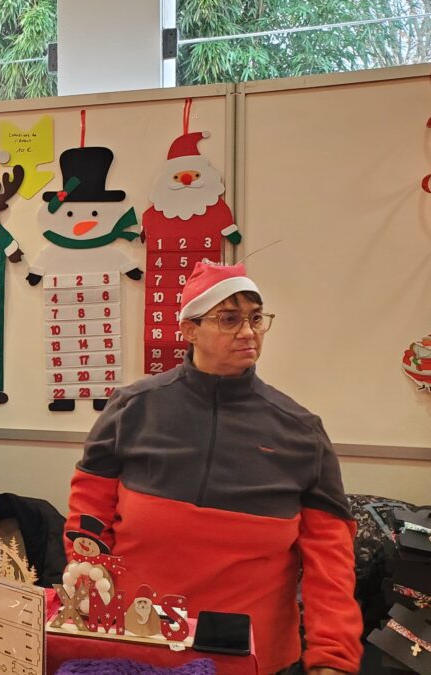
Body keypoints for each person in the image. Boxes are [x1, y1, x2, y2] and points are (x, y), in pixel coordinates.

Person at [64, 261, 361, 675]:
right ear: (189, 330)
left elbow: (330, 558)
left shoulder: (301, 431)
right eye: (229, 319)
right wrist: (88, 583)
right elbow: (89, 510)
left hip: (251, 657)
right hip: (137, 644)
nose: (248, 331)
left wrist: (333, 657)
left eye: (256, 318)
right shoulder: (133, 408)